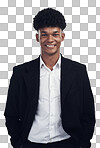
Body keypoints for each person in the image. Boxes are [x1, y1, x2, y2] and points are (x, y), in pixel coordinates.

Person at [4, 8, 95, 148]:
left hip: (69, 142)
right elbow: (11, 113)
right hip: (32, 143)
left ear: (62, 37)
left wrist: (83, 143)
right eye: (44, 34)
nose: (50, 40)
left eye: (55, 34)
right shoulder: (21, 73)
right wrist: (18, 143)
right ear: (37, 38)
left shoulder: (78, 71)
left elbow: (88, 113)